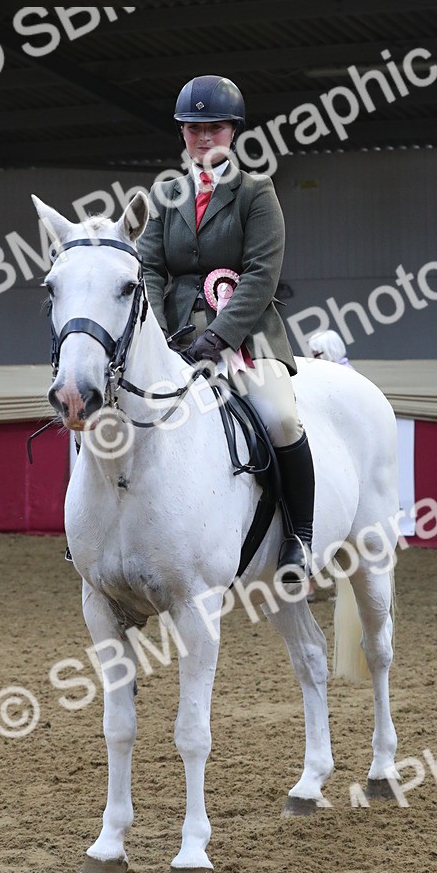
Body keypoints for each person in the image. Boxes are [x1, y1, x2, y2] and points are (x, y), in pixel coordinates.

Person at [138, 74, 315, 581]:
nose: (203, 137)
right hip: (172, 337)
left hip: (248, 337)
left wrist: (219, 335)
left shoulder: (256, 192)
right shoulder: (166, 193)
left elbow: (263, 273)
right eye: (193, 128)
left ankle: (298, 539)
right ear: (182, 134)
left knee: (280, 419)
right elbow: (148, 267)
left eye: (213, 127)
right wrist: (156, 327)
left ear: (232, 131)